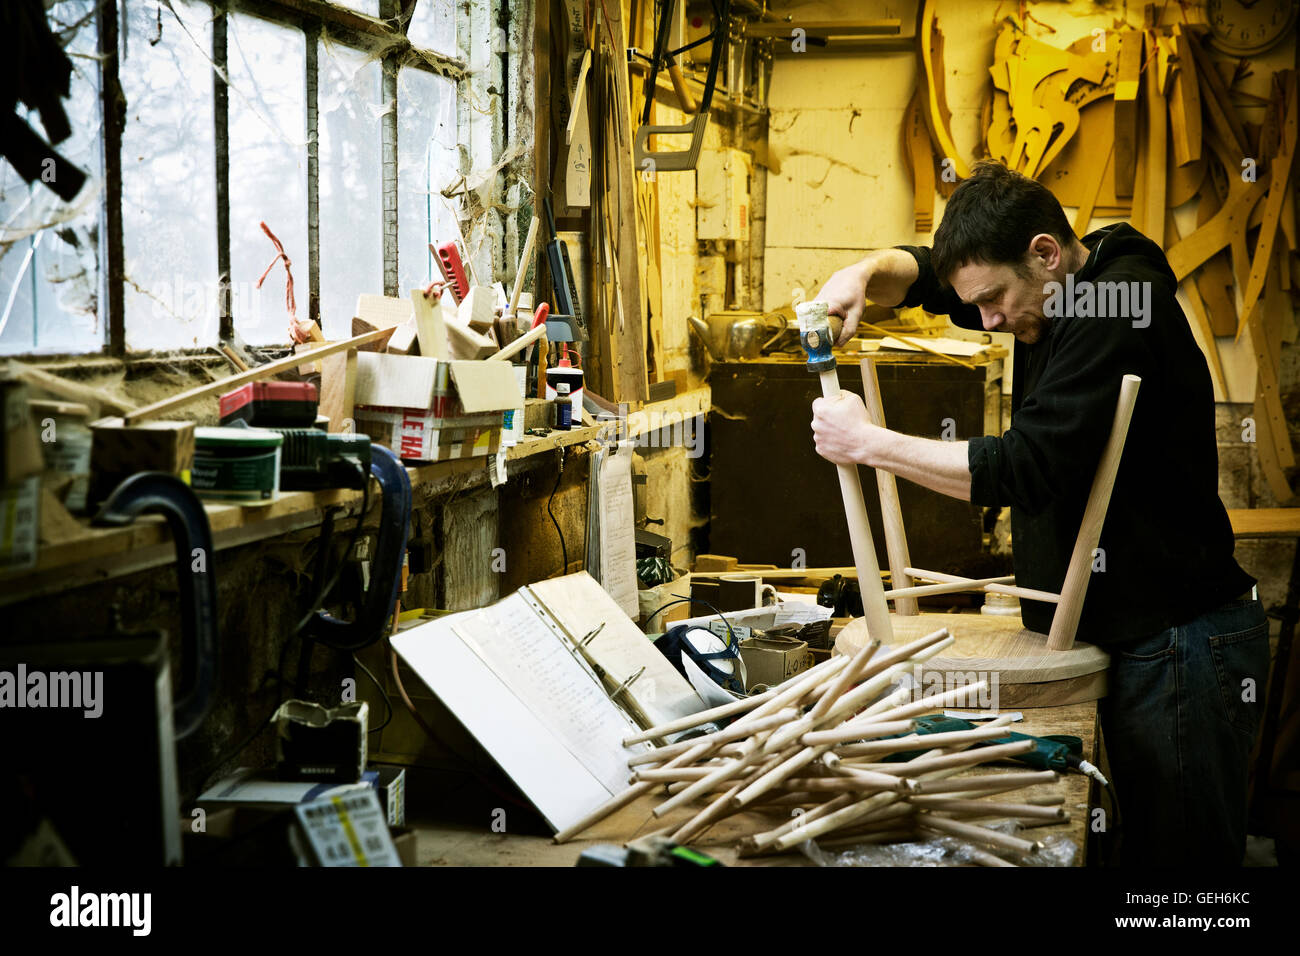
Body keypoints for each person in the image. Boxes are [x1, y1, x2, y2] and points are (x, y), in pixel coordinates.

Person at [811, 160, 1270, 866]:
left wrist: (867, 443)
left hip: (1182, 640)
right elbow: (937, 276)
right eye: (980, 305)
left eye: (994, 301)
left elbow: (1025, 467)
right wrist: (868, 274)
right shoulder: (1058, 285)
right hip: (1144, 633)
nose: (986, 321)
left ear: (1046, 254)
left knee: (1187, 883)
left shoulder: (1115, 307)